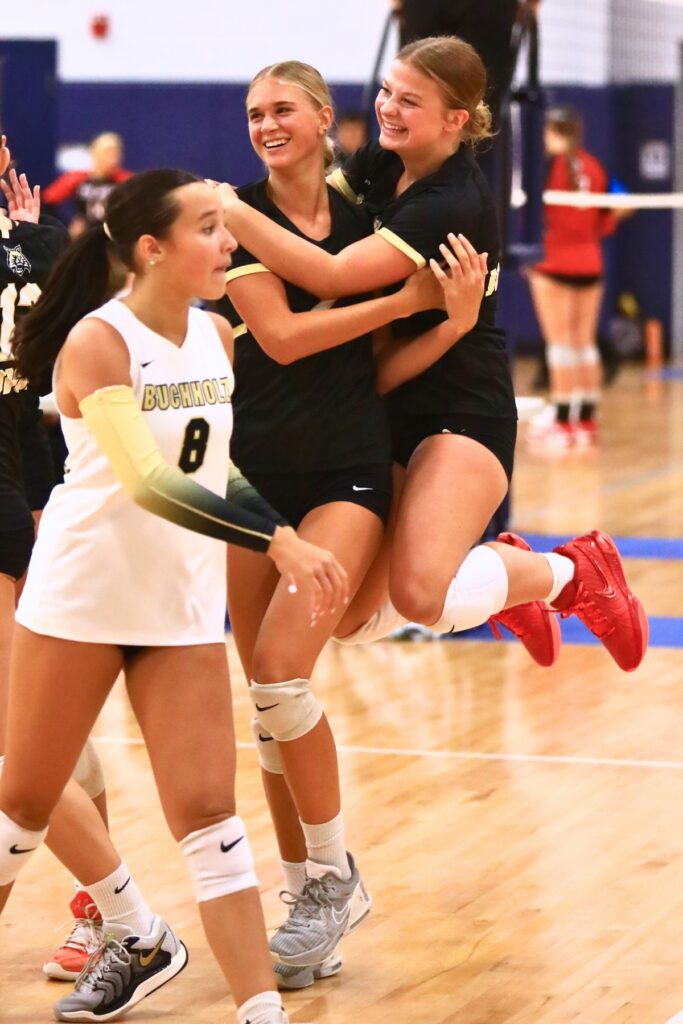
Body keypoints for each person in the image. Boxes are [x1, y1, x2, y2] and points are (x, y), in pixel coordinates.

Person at [214, 40, 648, 975]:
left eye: (413, 99)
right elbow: (337, 346)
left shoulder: (451, 201)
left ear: (460, 120)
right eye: (387, 92)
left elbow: (326, 288)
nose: (394, 108)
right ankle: (509, 579)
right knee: (342, 636)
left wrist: (218, 211)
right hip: (369, 412)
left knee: (409, 597)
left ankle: (569, 571)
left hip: (458, 408)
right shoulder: (369, 175)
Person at [1, 167, 349, 1024]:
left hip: (178, 607)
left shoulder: (216, 338)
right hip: (81, 600)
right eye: (209, 227)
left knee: (210, 817)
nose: (229, 241)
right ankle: (132, 931)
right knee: (23, 805)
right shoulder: (97, 341)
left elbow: (209, 468)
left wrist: (269, 522)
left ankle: (260, 1013)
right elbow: (151, 481)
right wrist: (280, 537)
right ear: (152, 248)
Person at [218, 60, 486, 989]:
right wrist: (409, 303)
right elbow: (286, 338)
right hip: (252, 480)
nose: (265, 125)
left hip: (345, 474)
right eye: (253, 114)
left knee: (285, 673)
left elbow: (372, 362)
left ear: (323, 116)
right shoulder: (243, 218)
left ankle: (334, 878)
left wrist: (441, 325)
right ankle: (308, 903)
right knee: (264, 698)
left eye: (281, 108)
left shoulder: (369, 213)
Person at [526, 105, 626, 448]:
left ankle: (563, 421)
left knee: (561, 345)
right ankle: (585, 420)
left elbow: (530, 216)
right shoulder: (595, 167)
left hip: (554, 265)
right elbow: (613, 212)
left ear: (550, 132)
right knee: (583, 343)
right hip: (590, 264)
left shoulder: (546, 166)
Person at [43, 132, 133, 238]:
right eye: (108, 152)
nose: (113, 158)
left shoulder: (126, 180)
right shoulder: (77, 179)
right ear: (95, 154)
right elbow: (47, 200)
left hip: (114, 236)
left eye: (116, 152)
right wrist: (64, 226)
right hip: (84, 238)